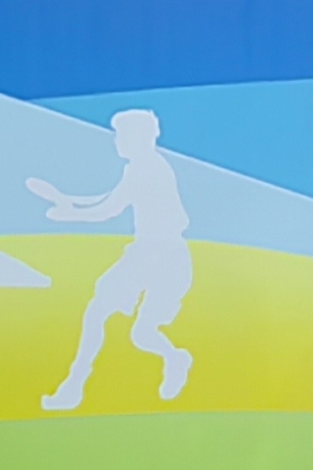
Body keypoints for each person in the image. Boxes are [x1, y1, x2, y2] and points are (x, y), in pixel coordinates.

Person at [31, 107, 196, 409]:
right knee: (105, 316)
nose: (116, 141)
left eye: (122, 135)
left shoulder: (148, 169)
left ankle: (174, 359)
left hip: (165, 257)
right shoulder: (141, 168)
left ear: (141, 137)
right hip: (148, 254)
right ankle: (74, 387)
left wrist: (69, 214)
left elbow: (107, 208)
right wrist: (72, 206)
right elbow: (107, 199)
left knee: (136, 331)